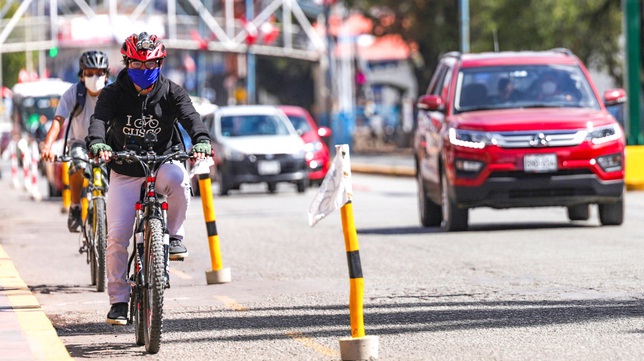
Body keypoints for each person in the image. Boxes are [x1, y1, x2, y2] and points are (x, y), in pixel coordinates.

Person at [86, 32, 212, 325]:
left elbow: (191, 117)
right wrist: (98, 143)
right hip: (125, 170)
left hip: (162, 163)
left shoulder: (172, 91)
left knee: (181, 181)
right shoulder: (113, 94)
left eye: (151, 65)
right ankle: (118, 300)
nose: (144, 71)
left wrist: (202, 140)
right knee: (116, 237)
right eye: (138, 65)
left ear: (160, 63)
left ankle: (175, 236)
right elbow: (99, 121)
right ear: (127, 63)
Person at [42, 50, 110, 232]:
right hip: (80, 143)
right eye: (89, 73)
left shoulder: (114, 94)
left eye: (99, 73)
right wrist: (48, 146)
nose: (95, 77)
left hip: (107, 145)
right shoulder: (73, 94)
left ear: (107, 74)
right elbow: (58, 121)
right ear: (82, 75)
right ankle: (75, 206)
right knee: (77, 164)